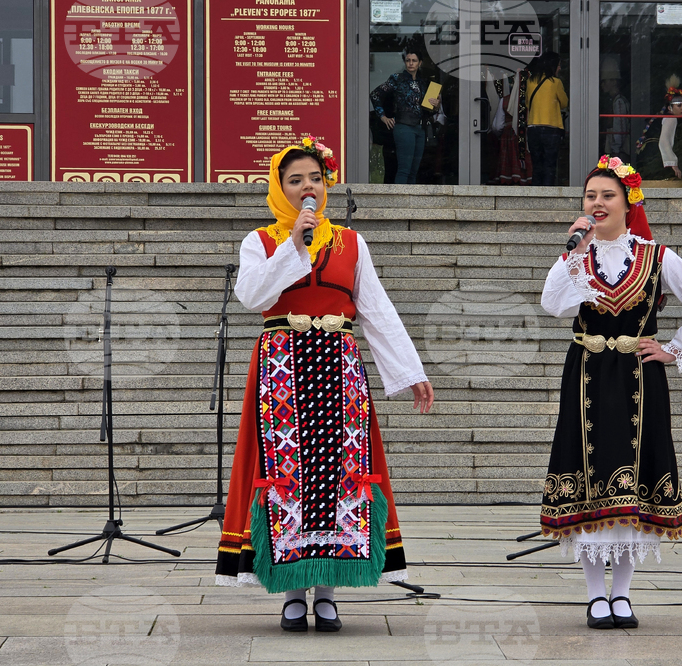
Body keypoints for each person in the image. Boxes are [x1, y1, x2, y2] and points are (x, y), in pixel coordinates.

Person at [216, 138, 435, 633]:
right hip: (281, 369)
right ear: (279, 188)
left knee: (340, 474)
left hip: (338, 366)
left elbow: (376, 309)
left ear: (326, 184)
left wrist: (410, 371)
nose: (306, 188)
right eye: (295, 180)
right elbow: (252, 295)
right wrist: (293, 243)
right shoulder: (261, 241)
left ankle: (330, 592)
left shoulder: (352, 243)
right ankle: (292, 592)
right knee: (287, 475)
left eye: (314, 178)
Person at [539, 154, 682, 629]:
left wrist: (675, 351)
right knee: (588, 477)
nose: (596, 203)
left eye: (606, 196)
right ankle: (594, 595)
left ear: (627, 202)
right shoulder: (579, 256)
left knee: (634, 479)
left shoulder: (656, 255)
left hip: (640, 377)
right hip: (587, 375)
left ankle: (622, 594)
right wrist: (573, 252)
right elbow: (552, 302)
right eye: (590, 196)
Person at [370, 49, 441, 184]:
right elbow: (375, 95)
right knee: (404, 169)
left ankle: (410, 204)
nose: (410, 63)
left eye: (414, 61)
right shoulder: (397, 79)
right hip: (403, 127)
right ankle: (399, 202)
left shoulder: (423, 82)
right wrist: (383, 116)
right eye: (408, 60)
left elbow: (427, 111)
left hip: (420, 128)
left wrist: (436, 106)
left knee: (414, 170)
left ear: (420, 63)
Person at [525, 51, 569, 186]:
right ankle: (547, 196)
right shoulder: (555, 82)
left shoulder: (530, 81)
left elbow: (527, 104)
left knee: (537, 165)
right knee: (549, 165)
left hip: (533, 128)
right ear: (552, 65)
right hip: (551, 129)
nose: (560, 68)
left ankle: (535, 195)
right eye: (558, 65)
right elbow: (564, 103)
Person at [635, 87, 682, 181]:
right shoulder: (671, 118)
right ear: (670, 107)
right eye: (679, 106)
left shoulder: (663, 116)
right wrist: (673, 163)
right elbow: (664, 142)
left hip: (648, 154)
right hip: (655, 156)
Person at [600, 58, 630, 164]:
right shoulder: (614, 101)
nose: (602, 85)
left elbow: (620, 126)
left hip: (618, 150)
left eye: (605, 81)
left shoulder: (619, 102)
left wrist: (616, 149)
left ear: (613, 82)